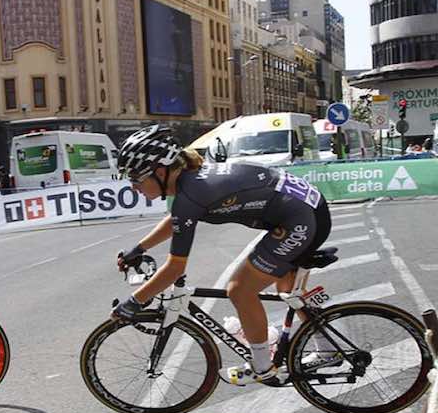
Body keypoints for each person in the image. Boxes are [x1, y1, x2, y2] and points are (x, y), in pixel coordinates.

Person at [110, 125, 333, 386]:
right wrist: (139, 249)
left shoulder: (190, 194)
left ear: (160, 171)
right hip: (305, 208)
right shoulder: (191, 182)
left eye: (136, 178)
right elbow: (177, 221)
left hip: (299, 219)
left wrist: (134, 302)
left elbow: (174, 269)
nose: (133, 186)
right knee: (287, 289)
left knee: (239, 290)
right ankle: (327, 346)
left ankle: (263, 367)